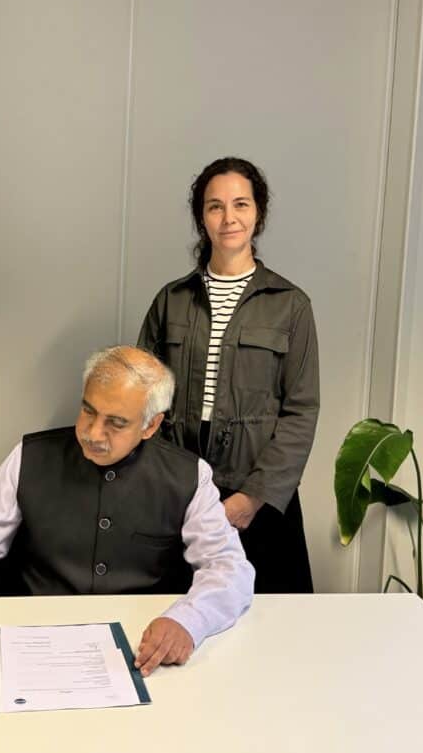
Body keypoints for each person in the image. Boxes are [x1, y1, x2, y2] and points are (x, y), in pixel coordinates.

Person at [0, 346, 254, 677]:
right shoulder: (29, 456)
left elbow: (229, 568)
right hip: (31, 641)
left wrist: (189, 621)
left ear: (151, 425)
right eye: (88, 411)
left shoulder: (189, 475)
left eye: (116, 422)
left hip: (137, 647)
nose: (93, 433)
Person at [138, 157, 319, 593]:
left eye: (241, 204)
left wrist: (252, 498)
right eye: (215, 206)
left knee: (267, 620)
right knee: (177, 616)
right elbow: (143, 400)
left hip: (260, 499)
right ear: (202, 218)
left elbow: (301, 412)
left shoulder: (290, 305)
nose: (228, 217)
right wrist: (167, 486)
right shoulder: (172, 300)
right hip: (182, 496)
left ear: (258, 213)